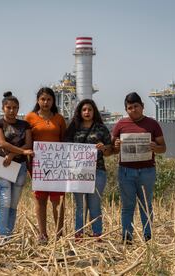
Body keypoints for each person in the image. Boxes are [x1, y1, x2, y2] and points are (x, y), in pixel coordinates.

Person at [112, 92, 166, 243]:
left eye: (136, 106)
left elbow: (164, 148)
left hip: (147, 170)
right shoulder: (120, 124)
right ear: (126, 109)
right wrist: (115, 145)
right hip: (125, 171)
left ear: (142, 106)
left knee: (146, 205)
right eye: (130, 107)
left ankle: (148, 236)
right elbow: (112, 149)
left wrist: (156, 146)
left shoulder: (153, 124)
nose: (133, 110)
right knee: (127, 205)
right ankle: (126, 237)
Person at [65, 99, 113, 241]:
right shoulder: (73, 128)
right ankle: (78, 234)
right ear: (80, 112)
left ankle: (97, 234)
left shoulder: (101, 129)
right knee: (79, 205)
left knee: (94, 204)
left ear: (94, 112)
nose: (87, 112)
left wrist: (103, 148)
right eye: (84, 110)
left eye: (90, 110)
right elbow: (66, 148)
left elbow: (109, 151)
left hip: (97, 171)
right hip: (77, 173)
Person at [25, 87, 66, 244]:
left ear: (53, 101)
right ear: (37, 100)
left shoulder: (59, 119)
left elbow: (64, 141)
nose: (46, 102)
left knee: (58, 201)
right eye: (43, 99)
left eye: (49, 99)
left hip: (57, 165)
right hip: (39, 165)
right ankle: (42, 234)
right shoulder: (30, 118)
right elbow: (27, 141)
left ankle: (59, 234)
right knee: (40, 200)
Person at [0, 92, 34, 243]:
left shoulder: (25, 125)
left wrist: (12, 155)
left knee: (14, 204)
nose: (11, 110)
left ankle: (9, 234)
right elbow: (2, 143)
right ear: (3, 108)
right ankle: (2, 235)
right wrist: (20, 152)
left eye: (14, 108)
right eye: (8, 107)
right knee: (5, 201)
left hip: (19, 165)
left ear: (18, 109)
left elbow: (29, 144)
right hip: (3, 166)